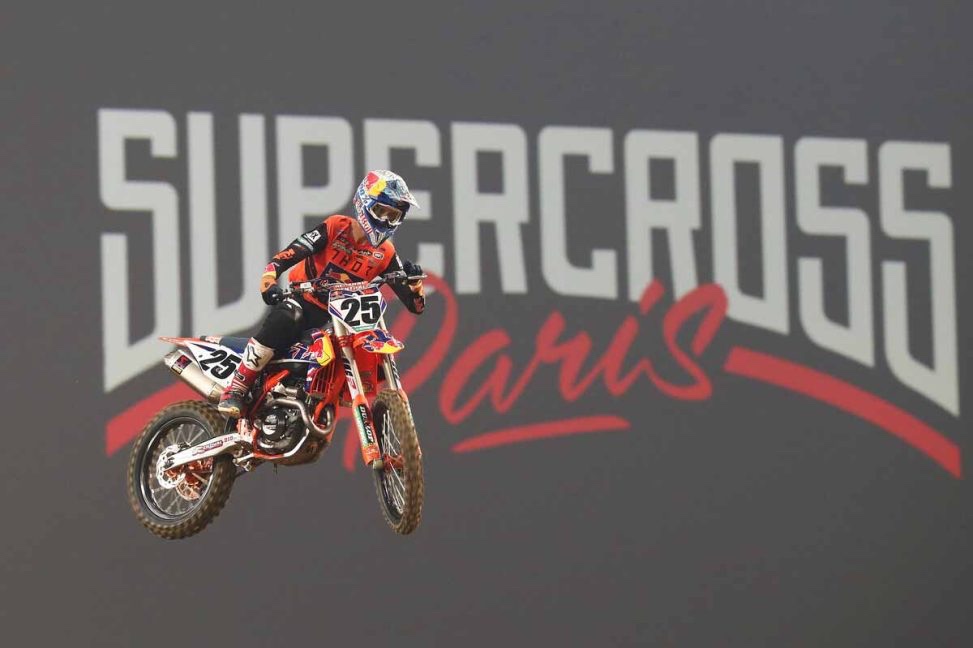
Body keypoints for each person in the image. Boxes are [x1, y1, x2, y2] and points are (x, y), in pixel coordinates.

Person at [218, 170, 426, 418]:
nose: (386, 220)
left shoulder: (386, 253)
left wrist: (414, 284)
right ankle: (237, 388)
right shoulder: (336, 227)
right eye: (382, 211)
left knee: (352, 346)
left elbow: (415, 306)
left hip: (339, 319)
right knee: (288, 316)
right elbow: (291, 253)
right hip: (304, 302)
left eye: (393, 216)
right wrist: (268, 280)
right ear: (364, 204)